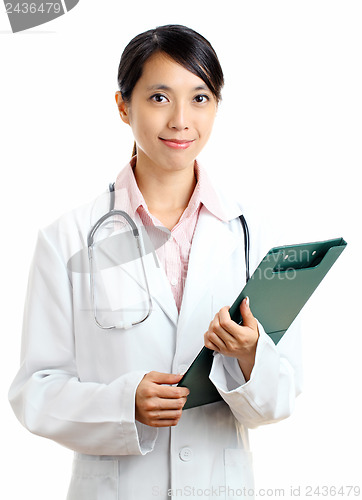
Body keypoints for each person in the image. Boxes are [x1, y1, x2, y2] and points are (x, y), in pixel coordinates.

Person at [9, 24, 302, 500]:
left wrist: (251, 357)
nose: (182, 120)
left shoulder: (254, 237)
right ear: (124, 106)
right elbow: (34, 392)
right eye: (160, 98)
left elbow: (281, 397)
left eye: (200, 98)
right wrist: (124, 403)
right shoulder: (66, 239)